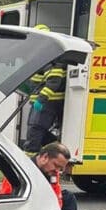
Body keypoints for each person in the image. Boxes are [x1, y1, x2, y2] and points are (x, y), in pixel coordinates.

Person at [23, 25, 67, 156]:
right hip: (43, 101)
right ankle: (58, 148)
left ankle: (30, 162)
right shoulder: (44, 56)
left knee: (35, 132)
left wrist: (41, 100)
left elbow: (54, 81)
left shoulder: (52, 57)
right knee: (37, 132)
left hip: (48, 102)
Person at [0, 142, 77, 210]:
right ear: (45, 157)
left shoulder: (53, 173)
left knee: (68, 197)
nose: (57, 170)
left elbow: (57, 197)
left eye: (61, 168)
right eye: (56, 165)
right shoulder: (20, 170)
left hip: (43, 208)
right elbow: (4, 200)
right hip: (25, 209)